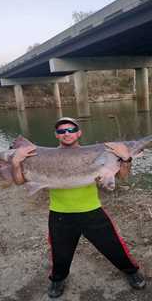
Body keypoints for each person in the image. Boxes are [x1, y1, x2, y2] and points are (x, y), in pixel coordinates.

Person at [11, 117, 146, 298]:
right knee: (60, 254)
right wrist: (15, 162)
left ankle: (131, 272)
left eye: (71, 130)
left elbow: (123, 177)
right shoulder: (36, 155)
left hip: (92, 211)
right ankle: (57, 280)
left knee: (114, 247)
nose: (66, 133)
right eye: (61, 131)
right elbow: (19, 181)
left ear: (79, 133)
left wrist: (126, 157)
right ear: (56, 136)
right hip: (60, 214)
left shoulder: (101, 152)